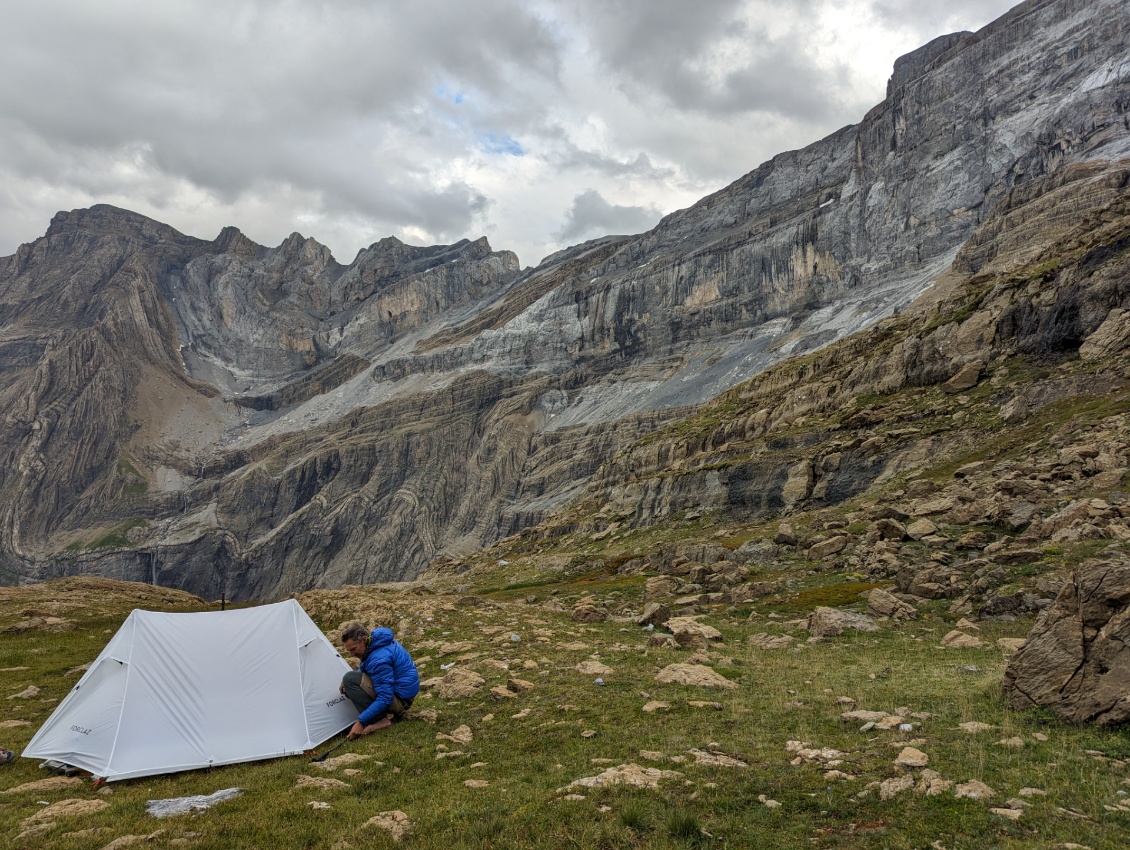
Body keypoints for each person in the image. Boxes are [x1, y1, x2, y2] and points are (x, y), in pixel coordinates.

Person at [339, 622, 420, 739]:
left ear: (363, 640)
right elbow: (367, 665)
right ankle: (377, 717)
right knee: (350, 680)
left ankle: (381, 720)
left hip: (399, 700)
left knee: (350, 680)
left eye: (353, 649)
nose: (352, 654)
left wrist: (360, 722)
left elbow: (385, 697)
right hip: (404, 695)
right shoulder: (378, 643)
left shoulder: (379, 659)